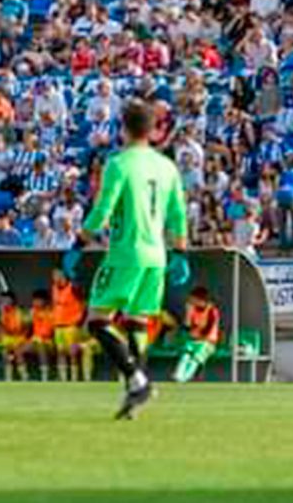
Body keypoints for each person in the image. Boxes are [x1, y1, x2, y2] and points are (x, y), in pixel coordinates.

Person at [80, 99, 191, 420]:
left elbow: (103, 210)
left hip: (126, 253)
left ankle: (137, 379)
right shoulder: (166, 166)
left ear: (124, 129)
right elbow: (178, 215)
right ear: (154, 130)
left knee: (97, 320)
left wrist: (79, 242)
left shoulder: (119, 163)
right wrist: (181, 253)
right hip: (157, 256)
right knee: (137, 322)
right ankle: (134, 394)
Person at [48, 268, 92, 382]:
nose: (54, 278)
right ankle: (63, 378)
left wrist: (81, 322)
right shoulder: (54, 288)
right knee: (60, 352)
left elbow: (84, 304)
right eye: (53, 276)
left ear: (63, 276)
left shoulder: (73, 288)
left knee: (72, 352)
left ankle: (74, 378)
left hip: (71, 325)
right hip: (58, 325)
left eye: (57, 275)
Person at [172, 286, 224, 382]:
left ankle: (186, 377)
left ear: (201, 299)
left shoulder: (212, 311)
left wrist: (201, 338)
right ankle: (178, 376)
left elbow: (212, 330)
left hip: (207, 343)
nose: (190, 300)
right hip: (193, 341)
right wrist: (188, 312)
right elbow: (187, 327)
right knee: (186, 354)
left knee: (196, 357)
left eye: (193, 299)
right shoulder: (193, 309)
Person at [0, 289, 29, 381]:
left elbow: (18, 328)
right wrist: (2, 314)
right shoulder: (1, 312)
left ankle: (24, 377)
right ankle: (8, 378)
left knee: (17, 352)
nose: (4, 302)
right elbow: (2, 329)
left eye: (6, 300)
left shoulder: (19, 311)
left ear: (12, 300)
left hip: (19, 339)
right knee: (5, 351)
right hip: (6, 339)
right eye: (2, 300)